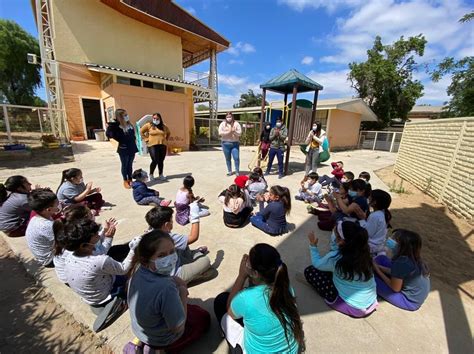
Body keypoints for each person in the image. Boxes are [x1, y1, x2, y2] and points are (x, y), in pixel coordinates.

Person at [125, 230, 211, 353]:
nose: (170, 258)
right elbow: (177, 328)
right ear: (146, 260)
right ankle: (162, 350)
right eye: (161, 255)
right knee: (204, 318)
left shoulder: (138, 269)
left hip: (141, 331)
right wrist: (182, 293)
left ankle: (141, 343)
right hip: (162, 339)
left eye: (172, 252)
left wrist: (173, 280)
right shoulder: (166, 288)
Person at [214, 244, 305, 353]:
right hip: (290, 351)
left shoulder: (246, 298)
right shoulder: (286, 287)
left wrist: (241, 276)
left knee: (221, 301)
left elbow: (230, 310)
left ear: (256, 273)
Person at [303, 221, 378, 318]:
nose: (333, 232)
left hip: (355, 307)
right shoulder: (364, 252)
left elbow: (317, 264)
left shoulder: (335, 258)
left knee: (310, 271)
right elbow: (337, 247)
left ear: (341, 241)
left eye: (335, 232)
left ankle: (336, 301)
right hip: (371, 300)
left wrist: (313, 246)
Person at [61, 218, 136, 306]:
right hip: (106, 296)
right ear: (83, 245)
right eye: (96, 234)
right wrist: (133, 249)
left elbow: (100, 252)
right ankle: (123, 300)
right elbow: (123, 269)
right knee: (137, 269)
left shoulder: (71, 255)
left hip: (92, 295)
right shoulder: (99, 260)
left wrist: (108, 237)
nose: (99, 234)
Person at [145, 206, 214, 284]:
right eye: (171, 220)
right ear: (166, 225)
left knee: (183, 243)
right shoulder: (167, 237)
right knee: (205, 261)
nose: (172, 222)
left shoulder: (150, 232)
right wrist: (195, 216)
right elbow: (193, 237)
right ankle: (189, 279)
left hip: (162, 268)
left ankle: (193, 257)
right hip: (174, 275)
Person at [373, 229, 430, 311]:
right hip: (415, 296)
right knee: (381, 259)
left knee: (369, 279)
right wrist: (378, 267)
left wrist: (377, 270)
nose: (390, 240)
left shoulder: (401, 262)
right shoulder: (412, 257)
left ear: (402, 246)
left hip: (408, 301)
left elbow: (395, 288)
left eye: (394, 240)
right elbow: (396, 272)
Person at [25, 188, 60, 267]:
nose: (59, 204)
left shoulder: (38, 217)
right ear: (49, 209)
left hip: (45, 254)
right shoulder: (45, 225)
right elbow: (65, 241)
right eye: (57, 203)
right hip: (50, 259)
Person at [106, 108, 138, 189]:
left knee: (130, 165)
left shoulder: (129, 125)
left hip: (131, 148)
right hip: (123, 149)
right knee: (125, 165)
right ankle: (125, 180)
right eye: (125, 115)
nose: (127, 116)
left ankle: (130, 179)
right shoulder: (117, 127)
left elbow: (133, 136)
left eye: (127, 114)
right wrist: (111, 126)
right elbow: (109, 134)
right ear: (120, 117)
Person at [359, 189, 392, 256]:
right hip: (378, 245)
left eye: (370, 197)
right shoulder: (382, 213)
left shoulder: (375, 216)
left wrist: (362, 221)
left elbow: (368, 233)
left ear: (375, 202)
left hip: (372, 247)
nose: (368, 198)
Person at [140, 113, 171, 181]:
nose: (155, 120)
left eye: (157, 119)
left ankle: (161, 174)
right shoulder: (149, 125)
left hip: (162, 145)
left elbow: (168, 133)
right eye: (154, 118)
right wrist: (146, 139)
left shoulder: (163, 126)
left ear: (160, 119)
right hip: (152, 145)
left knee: (161, 161)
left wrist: (166, 139)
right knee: (155, 160)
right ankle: (151, 174)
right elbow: (141, 131)